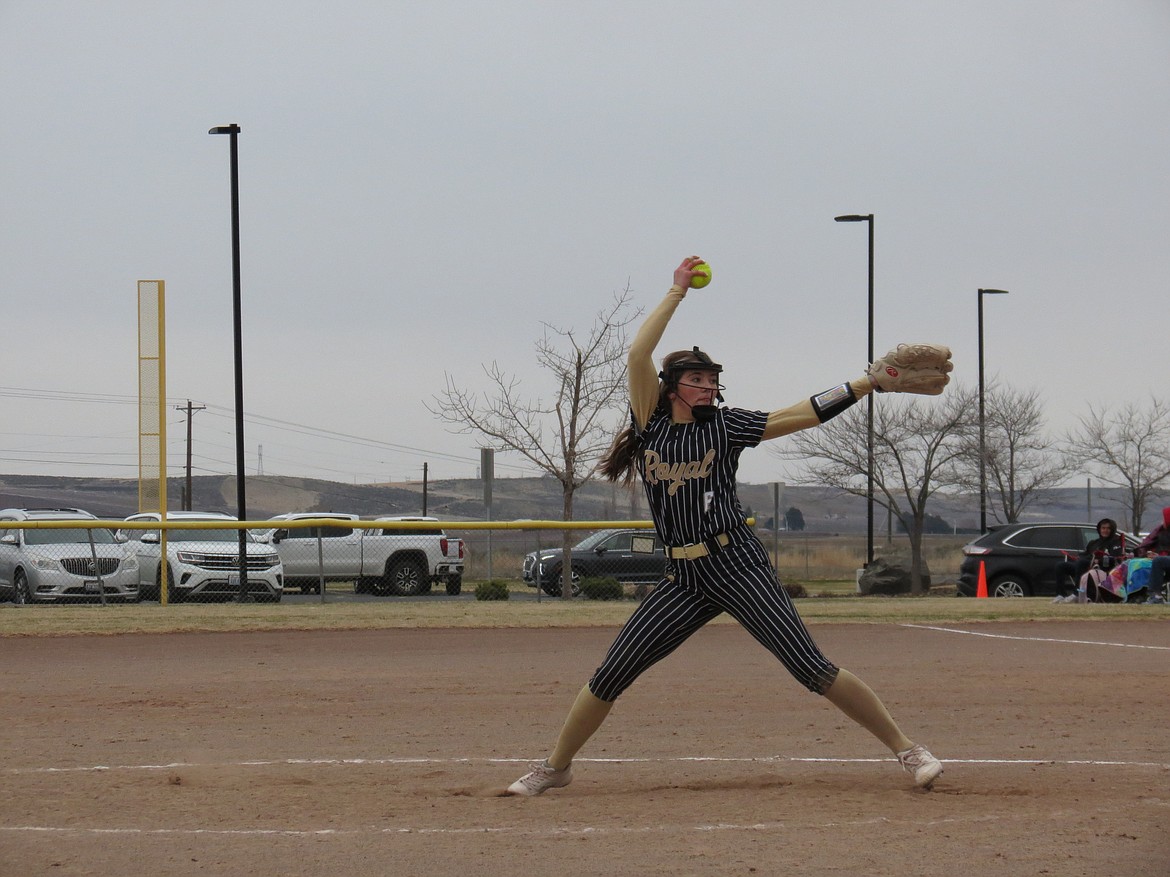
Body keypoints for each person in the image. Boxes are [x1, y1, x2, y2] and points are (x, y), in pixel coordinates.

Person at [506, 256, 954, 797]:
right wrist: (676, 292)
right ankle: (556, 766)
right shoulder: (649, 422)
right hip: (682, 578)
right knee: (612, 674)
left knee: (810, 667)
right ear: (671, 385)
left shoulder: (726, 424)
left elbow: (801, 414)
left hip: (736, 562)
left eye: (712, 379)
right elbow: (637, 352)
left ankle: (909, 751)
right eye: (696, 378)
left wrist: (866, 382)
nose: (707, 386)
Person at [1051, 518, 1126, 604]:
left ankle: (1077, 593)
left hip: (1102, 569)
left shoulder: (1116, 542)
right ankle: (1060, 595)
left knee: (1081, 563)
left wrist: (1099, 559)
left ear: (1112, 529)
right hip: (1085, 566)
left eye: (1108, 528)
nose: (1105, 530)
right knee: (1060, 566)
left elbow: (1116, 558)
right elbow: (1084, 554)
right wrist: (1076, 557)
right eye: (1103, 528)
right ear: (1099, 529)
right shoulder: (1094, 543)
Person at [1136, 507, 1170, 604]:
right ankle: (1132, 595)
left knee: (1158, 561)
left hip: (1161, 561)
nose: (1162, 522)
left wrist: (1159, 556)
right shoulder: (1160, 532)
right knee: (1133, 563)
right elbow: (1146, 545)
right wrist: (1148, 553)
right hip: (1158, 559)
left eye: (1164, 519)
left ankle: (1156, 595)